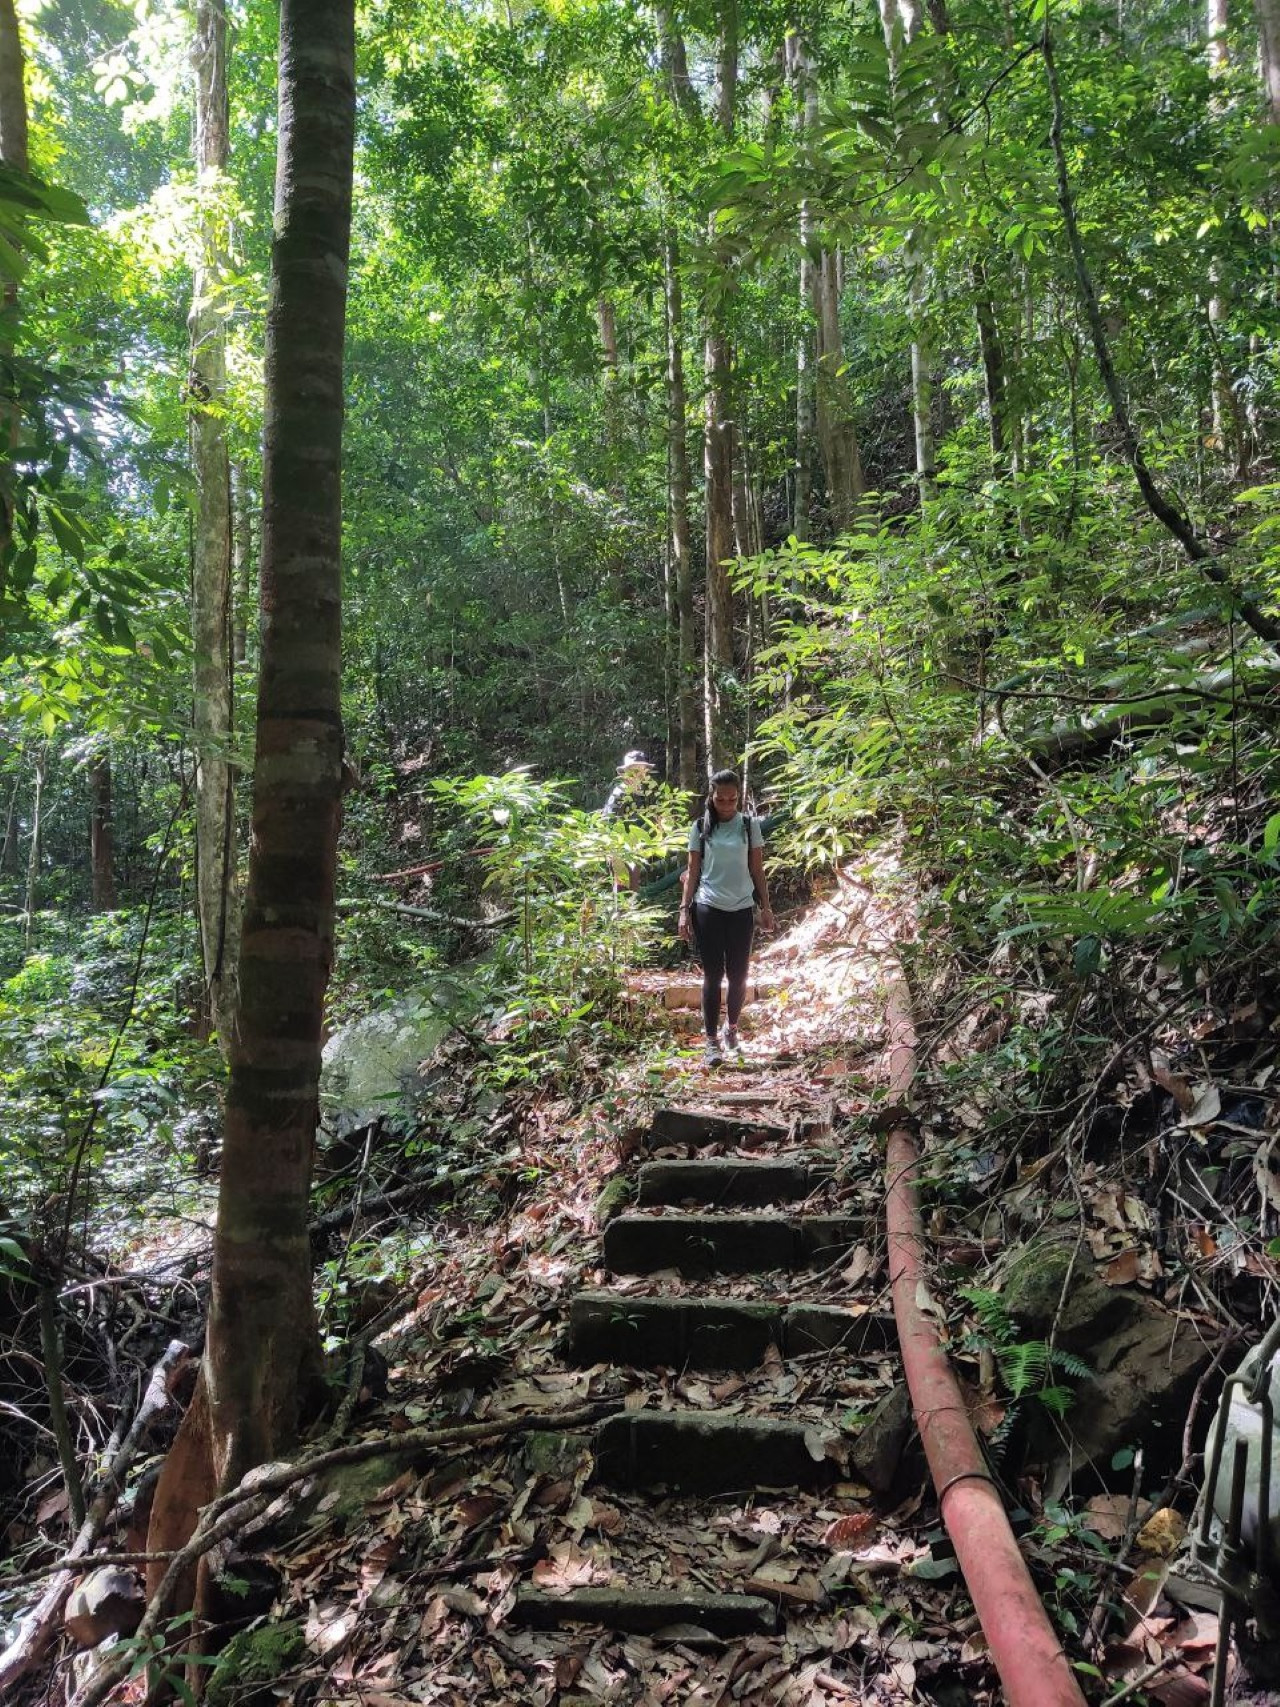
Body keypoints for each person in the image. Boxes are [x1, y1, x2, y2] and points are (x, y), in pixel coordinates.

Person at [677, 769, 776, 1066]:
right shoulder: (700, 827)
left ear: (739, 797)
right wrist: (684, 911)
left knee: (739, 974)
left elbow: (757, 869)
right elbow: (693, 872)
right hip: (708, 906)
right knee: (713, 975)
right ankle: (710, 1042)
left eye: (732, 799)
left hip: (742, 908)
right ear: (712, 797)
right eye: (721, 799)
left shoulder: (749, 826)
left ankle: (731, 1030)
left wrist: (767, 907)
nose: (726, 804)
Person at [601, 750, 657, 891]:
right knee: (621, 884)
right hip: (618, 846)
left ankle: (632, 910)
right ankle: (621, 911)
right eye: (634, 770)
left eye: (641, 770)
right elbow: (608, 821)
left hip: (635, 845)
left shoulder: (643, 794)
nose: (638, 773)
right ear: (626, 773)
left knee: (633, 885)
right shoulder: (620, 793)